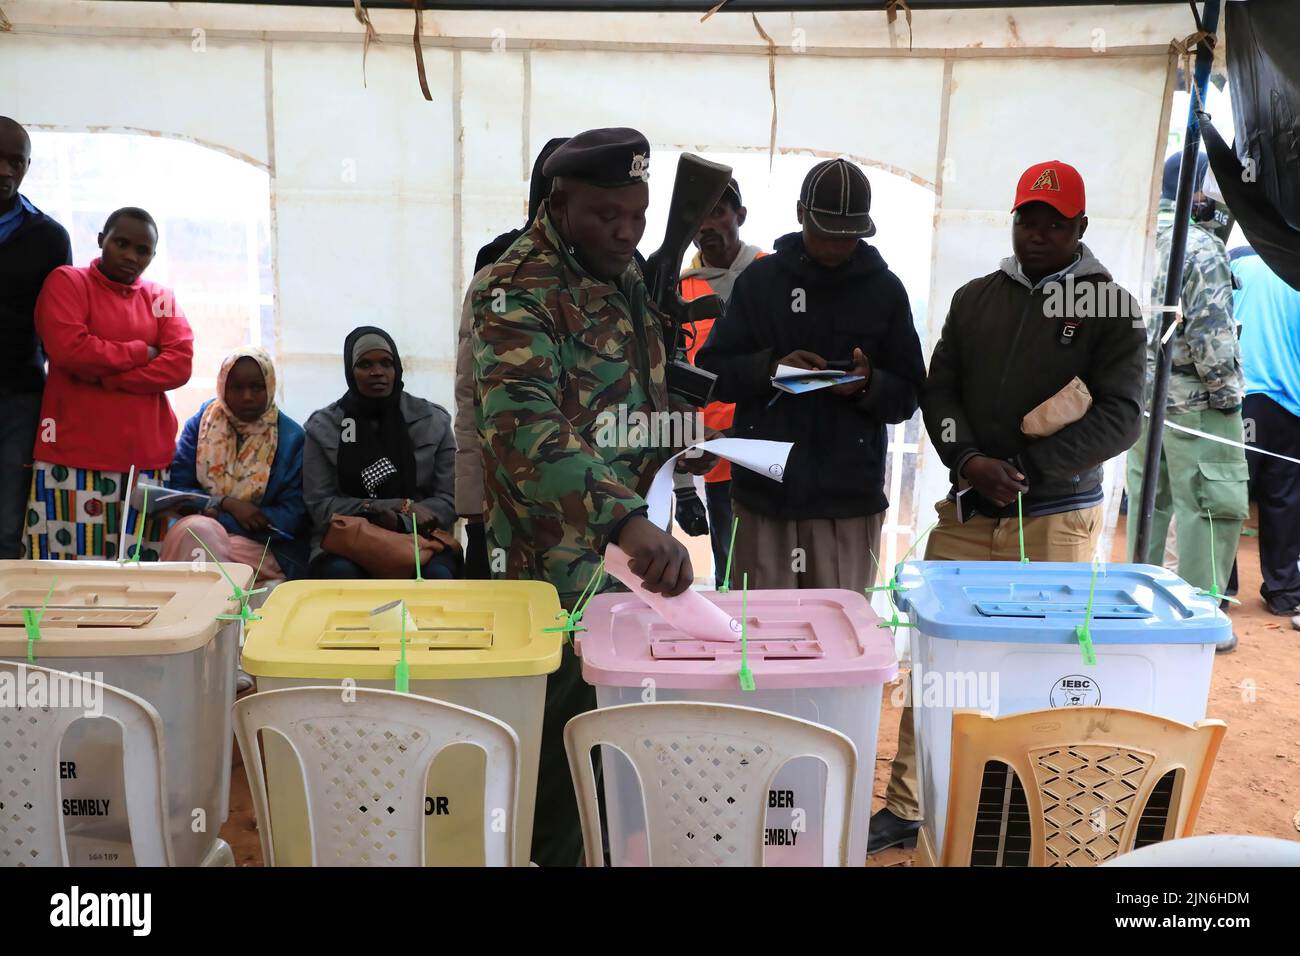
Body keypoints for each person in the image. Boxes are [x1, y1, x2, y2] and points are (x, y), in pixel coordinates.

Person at [870, 160, 1147, 854]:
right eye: (1029, 218)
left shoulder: (1111, 308)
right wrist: (968, 462)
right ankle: (908, 803)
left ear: (1080, 228)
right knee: (936, 662)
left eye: (1054, 222)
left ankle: (1036, 809)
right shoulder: (975, 299)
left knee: (1046, 668)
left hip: (1054, 520)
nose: (1038, 233)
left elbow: (1122, 418)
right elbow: (940, 393)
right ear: (1015, 220)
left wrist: (1025, 470)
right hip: (968, 516)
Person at [471, 127, 711, 866]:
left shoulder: (625, 269)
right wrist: (626, 521)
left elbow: (630, 389)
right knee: (555, 751)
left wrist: (676, 436)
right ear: (560, 200)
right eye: (608, 215)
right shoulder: (515, 286)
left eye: (638, 214)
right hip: (555, 569)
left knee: (619, 738)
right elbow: (524, 429)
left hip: (632, 557)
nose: (627, 231)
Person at [697, 158, 925, 593]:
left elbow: (911, 394)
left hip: (847, 502)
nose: (838, 247)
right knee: (762, 642)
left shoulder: (885, 291)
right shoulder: (760, 283)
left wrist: (869, 384)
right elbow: (712, 371)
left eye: (849, 236)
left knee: (840, 642)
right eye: (825, 234)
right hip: (765, 497)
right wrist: (770, 369)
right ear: (800, 214)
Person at [1126, 152, 1246, 653]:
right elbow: (1211, 338)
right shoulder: (1201, 249)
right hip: (1196, 403)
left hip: (1142, 402)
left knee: (1149, 507)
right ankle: (1197, 619)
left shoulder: (1140, 240)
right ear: (1197, 194)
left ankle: (1136, 606)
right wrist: (1229, 399)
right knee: (1213, 506)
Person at [27, 207, 193, 560]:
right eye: (121, 243)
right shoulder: (68, 282)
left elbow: (179, 365)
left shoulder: (160, 298)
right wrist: (141, 351)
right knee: (67, 577)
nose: (131, 256)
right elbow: (69, 350)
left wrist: (103, 375)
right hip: (71, 458)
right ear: (101, 240)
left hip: (145, 463)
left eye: (143, 250)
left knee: (140, 580)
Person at [454, 136, 568, 580]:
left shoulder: (622, 268)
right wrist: (473, 507)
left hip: (601, 499)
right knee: (506, 626)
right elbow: (471, 396)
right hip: (506, 493)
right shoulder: (502, 267)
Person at [303, 326, 457, 580]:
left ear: (397, 367)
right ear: (350, 372)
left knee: (436, 577)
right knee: (340, 576)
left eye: (386, 363)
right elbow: (319, 506)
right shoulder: (324, 427)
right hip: (346, 542)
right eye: (365, 364)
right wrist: (394, 507)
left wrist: (401, 523)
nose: (378, 372)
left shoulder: (432, 421)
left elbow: (450, 500)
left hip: (420, 540)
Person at [674, 177, 767, 586]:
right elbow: (671, 386)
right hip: (715, 461)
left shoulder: (771, 274)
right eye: (698, 216)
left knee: (772, 574)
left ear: (740, 216)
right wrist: (682, 488)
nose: (706, 225)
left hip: (768, 453)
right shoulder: (679, 290)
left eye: (717, 212)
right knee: (732, 576)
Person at [160, 346, 308, 582]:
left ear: (269, 386)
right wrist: (227, 505)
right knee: (199, 533)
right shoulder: (201, 424)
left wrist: (217, 518)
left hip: (264, 546)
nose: (247, 396)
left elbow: (292, 516)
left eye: (256, 387)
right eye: (237, 388)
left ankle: (201, 616)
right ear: (222, 387)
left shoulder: (290, 438)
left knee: (199, 538)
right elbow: (178, 490)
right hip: (202, 530)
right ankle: (221, 614)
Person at [0, 117, 72, 559]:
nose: (5, 171)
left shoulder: (48, 237)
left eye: (16, 162)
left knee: (8, 516)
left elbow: (59, 328)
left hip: (19, 397)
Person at [1230, 246, 1300, 628]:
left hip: (1244, 396)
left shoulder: (1236, 261)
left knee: (1230, 493)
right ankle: (1284, 592)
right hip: (1290, 401)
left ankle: (1220, 588)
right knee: (1285, 497)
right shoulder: (1294, 268)